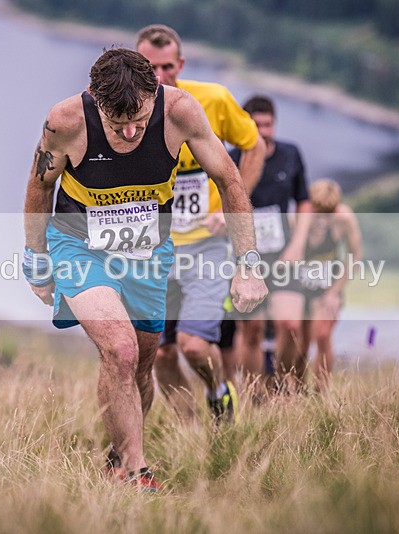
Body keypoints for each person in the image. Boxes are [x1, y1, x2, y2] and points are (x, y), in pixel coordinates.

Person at [22, 48, 267, 490]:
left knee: (141, 361)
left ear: (154, 93)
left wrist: (247, 263)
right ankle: (137, 472)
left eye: (139, 120)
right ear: (97, 104)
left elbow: (230, 180)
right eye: (118, 127)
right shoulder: (66, 121)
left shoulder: (180, 112)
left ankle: (117, 457)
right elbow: (40, 184)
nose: (132, 132)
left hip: (149, 252)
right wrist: (37, 259)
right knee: (120, 347)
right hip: (79, 246)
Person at [136, 24, 266, 424]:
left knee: (194, 345)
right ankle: (188, 430)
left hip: (207, 246)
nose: (159, 78)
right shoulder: (127, 108)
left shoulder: (211, 99)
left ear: (181, 64)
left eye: (167, 67)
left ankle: (216, 390)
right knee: (159, 351)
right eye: (149, 67)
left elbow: (254, 145)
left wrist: (231, 203)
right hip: (155, 249)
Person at [226, 95, 312, 396]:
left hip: (284, 254)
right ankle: (255, 393)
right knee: (251, 330)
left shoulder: (290, 154)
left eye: (268, 124)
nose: (263, 131)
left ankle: (281, 382)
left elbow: (304, 200)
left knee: (290, 324)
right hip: (245, 258)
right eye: (256, 124)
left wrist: (298, 244)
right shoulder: (231, 159)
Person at [300, 179, 362, 391]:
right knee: (301, 340)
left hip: (328, 284)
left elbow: (355, 256)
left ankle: (320, 390)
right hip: (301, 283)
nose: (322, 216)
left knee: (323, 335)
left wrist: (335, 292)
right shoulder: (300, 214)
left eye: (328, 211)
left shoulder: (344, 218)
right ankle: (296, 388)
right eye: (318, 210)